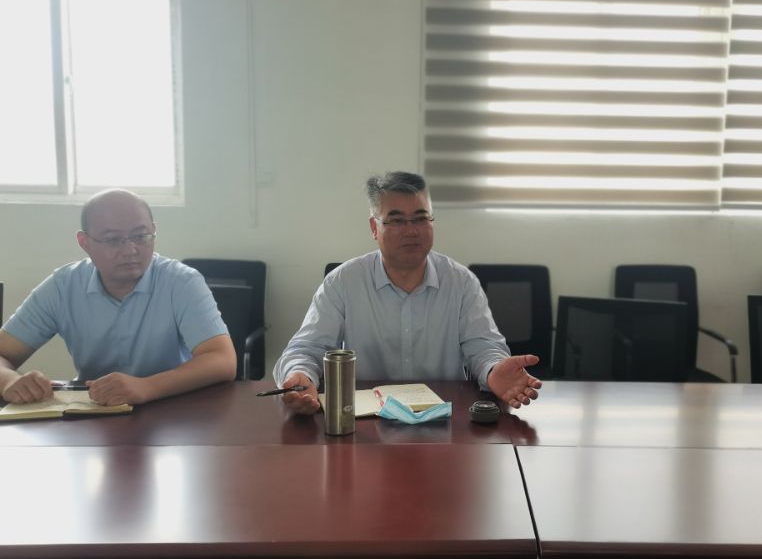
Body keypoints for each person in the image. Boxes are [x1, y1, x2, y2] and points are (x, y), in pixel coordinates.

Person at [274, 171, 542, 414]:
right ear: (374, 228)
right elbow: (307, 348)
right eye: (396, 220)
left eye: (421, 218)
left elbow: (483, 346)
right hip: (364, 423)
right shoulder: (343, 282)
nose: (411, 230)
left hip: (445, 418)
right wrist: (300, 375)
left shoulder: (461, 282)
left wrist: (494, 369)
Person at [0, 189, 236, 406]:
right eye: (114, 240)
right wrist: (9, 380)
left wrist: (147, 387)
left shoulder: (181, 282)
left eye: (141, 236)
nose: (130, 250)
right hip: (94, 411)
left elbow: (222, 359)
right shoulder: (63, 286)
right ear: (85, 243)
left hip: (171, 406)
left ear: (153, 230)